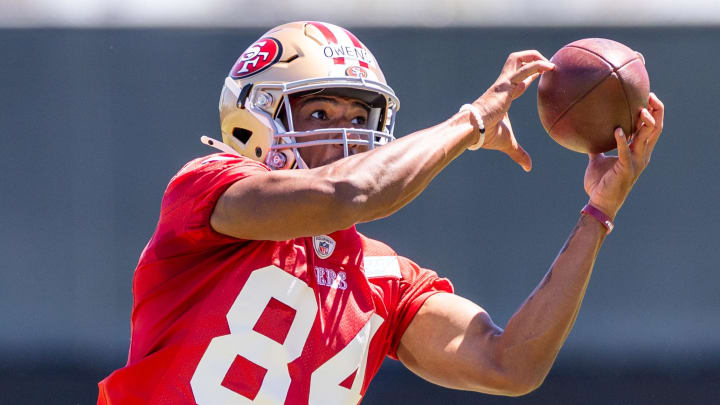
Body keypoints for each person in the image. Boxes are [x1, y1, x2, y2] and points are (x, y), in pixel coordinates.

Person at [97, 21, 664, 404]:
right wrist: (470, 122)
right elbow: (351, 194)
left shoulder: (382, 278)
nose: (346, 132)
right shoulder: (207, 190)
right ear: (253, 119)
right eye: (319, 112)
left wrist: (598, 213)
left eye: (359, 116)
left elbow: (510, 365)